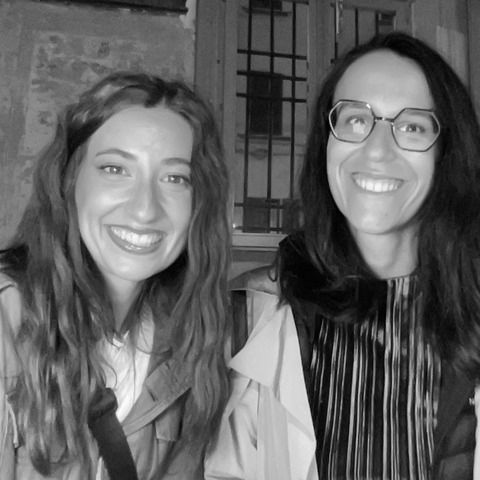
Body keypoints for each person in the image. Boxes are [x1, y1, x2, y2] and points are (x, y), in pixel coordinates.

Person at [205, 31, 480, 480]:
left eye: (412, 127)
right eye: (355, 120)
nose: (377, 150)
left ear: (446, 153)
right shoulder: (249, 318)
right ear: (325, 144)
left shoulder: (472, 307)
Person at [0, 71, 231, 479]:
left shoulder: (192, 336)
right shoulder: (8, 322)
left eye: (175, 178)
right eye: (115, 169)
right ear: (69, 179)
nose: (145, 209)